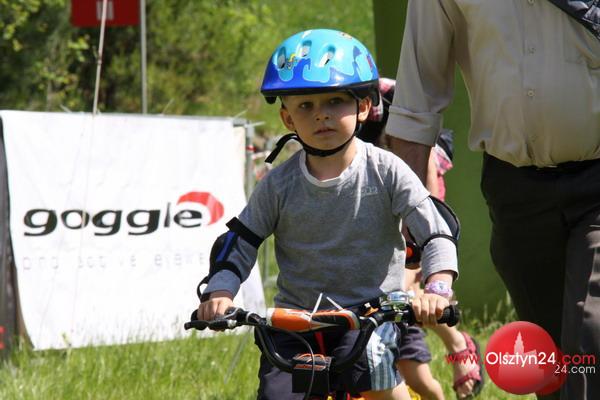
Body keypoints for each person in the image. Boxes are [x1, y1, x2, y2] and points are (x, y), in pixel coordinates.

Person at [196, 29, 459, 400]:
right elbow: (240, 240)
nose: (321, 114)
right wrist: (220, 291)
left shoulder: (387, 170)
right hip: (294, 322)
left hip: (372, 316)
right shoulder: (278, 185)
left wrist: (437, 289)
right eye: (305, 106)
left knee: (372, 365)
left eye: (335, 101)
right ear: (287, 119)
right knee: (278, 394)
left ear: (364, 107)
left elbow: (436, 233)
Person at [384, 2, 600, 399]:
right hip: (515, 188)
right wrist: (410, 218)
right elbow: (417, 98)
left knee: (591, 337)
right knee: (550, 362)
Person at [361, 78, 484, 400]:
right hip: (372, 187)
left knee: (408, 282)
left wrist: (424, 238)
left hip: (416, 171)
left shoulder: (395, 103)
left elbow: (424, 174)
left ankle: (457, 345)